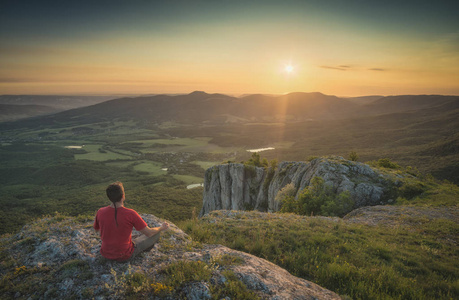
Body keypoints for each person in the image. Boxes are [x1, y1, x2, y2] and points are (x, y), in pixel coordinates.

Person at [93, 181, 169, 261]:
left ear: (109, 197)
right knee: (155, 234)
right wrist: (161, 227)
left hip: (105, 253)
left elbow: (97, 230)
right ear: (123, 196)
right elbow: (149, 233)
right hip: (124, 255)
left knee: (136, 237)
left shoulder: (100, 211)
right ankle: (142, 252)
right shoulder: (130, 213)